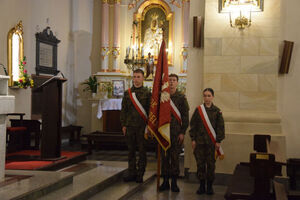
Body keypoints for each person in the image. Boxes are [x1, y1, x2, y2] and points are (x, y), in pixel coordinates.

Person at [189, 88, 225, 195]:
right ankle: (201, 186)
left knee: (210, 165)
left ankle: (209, 187)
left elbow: (220, 127)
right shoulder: (198, 110)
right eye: (205, 96)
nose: (207, 98)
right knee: (200, 165)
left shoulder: (217, 111)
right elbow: (193, 125)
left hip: (211, 144)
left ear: (213, 97)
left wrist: (218, 141)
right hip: (199, 143)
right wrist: (193, 139)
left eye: (209, 96)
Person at [159, 74, 189, 192]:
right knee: (164, 158)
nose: (171, 82)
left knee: (175, 158)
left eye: (173, 80)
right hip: (164, 132)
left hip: (176, 133)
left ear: (177, 82)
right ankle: (165, 181)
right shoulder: (162, 97)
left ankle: (174, 182)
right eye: (169, 80)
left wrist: (182, 132)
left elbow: (185, 117)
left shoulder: (181, 98)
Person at [120, 69, 151, 183]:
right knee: (131, 151)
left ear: (143, 79)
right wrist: (123, 124)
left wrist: (149, 126)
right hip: (130, 127)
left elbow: (149, 111)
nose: (136, 79)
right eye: (134, 77)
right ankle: (131, 172)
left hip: (142, 127)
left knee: (142, 151)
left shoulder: (147, 93)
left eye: (138, 77)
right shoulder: (127, 93)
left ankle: (140, 173)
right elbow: (124, 110)